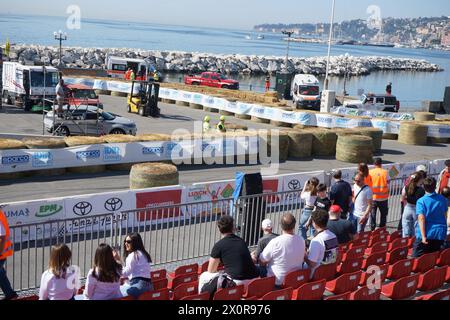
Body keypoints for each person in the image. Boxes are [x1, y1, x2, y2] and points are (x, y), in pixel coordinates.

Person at [199, 216, 259, 293]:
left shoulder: (218, 245)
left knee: (203, 276)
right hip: (254, 281)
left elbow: (211, 270)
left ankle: (201, 297)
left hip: (237, 282)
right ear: (233, 227)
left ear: (219, 229)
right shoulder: (241, 241)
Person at [259, 214, 305, 287]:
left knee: (259, 267)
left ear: (281, 225)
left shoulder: (275, 242)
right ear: (294, 225)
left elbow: (262, 261)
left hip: (278, 282)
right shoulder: (301, 240)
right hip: (295, 279)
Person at [413, 177, 448, 257]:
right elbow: (445, 215)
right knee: (432, 259)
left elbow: (421, 218)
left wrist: (423, 236)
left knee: (417, 259)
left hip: (426, 233)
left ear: (423, 187)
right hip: (439, 233)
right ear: (435, 186)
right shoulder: (443, 199)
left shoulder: (421, 201)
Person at [114, 233, 153, 298]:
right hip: (149, 286)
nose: (125, 243)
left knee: (114, 293)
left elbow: (125, 273)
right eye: (125, 241)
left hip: (139, 286)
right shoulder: (143, 253)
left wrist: (117, 261)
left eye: (128, 242)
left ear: (135, 243)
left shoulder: (133, 255)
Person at [304, 210, 339, 278]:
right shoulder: (333, 236)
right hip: (329, 272)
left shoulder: (316, 240)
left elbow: (312, 264)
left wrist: (304, 255)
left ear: (314, 223)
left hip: (316, 275)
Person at [398, 164, 428, 232]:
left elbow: (403, 196)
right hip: (415, 209)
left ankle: (403, 236)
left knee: (406, 226)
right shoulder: (421, 189)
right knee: (414, 228)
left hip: (407, 207)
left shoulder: (408, 183)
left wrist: (405, 204)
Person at [401, 172, 425, 238]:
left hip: (407, 208)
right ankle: (413, 243)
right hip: (416, 209)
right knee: (415, 229)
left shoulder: (406, 187)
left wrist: (405, 206)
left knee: (405, 228)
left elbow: (403, 198)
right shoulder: (422, 190)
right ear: (419, 180)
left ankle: (405, 242)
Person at [0, 209, 17, 300]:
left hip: (1, 254)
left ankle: (10, 294)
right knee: (1, 275)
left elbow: (2, 236)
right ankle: (10, 294)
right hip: (2, 253)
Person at [369, 158, 390, 231]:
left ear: (374, 164)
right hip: (383, 198)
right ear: (381, 164)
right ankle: (382, 230)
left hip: (373, 198)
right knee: (383, 215)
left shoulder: (370, 172)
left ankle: (372, 230)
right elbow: (388, 184)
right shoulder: (385, 172)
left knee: (372, 215)